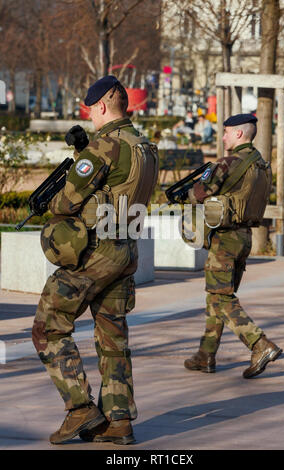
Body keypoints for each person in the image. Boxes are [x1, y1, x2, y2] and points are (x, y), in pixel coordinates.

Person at [32, 75, 158, 445]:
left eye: (90, 109)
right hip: (127, 251)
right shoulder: (146, 147)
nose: (89, 116)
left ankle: (80, 409)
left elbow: (65, 201)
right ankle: (118, 422)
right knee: (113, 337)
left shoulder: (105, 147)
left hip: (95, 253)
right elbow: (118, 189)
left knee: (48, 327)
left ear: (101, 106)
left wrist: (71, 174)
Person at [184, 113, 282, 378]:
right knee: (217, 296)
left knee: (222, 298)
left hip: (226, 238)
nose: (224, 136)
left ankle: (259, 344)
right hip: (244, 237)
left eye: (226, 132)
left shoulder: (228, 163)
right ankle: (206, 355)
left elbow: (198, 194)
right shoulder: (261, 165)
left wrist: (190, 192)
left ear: (239, 134)